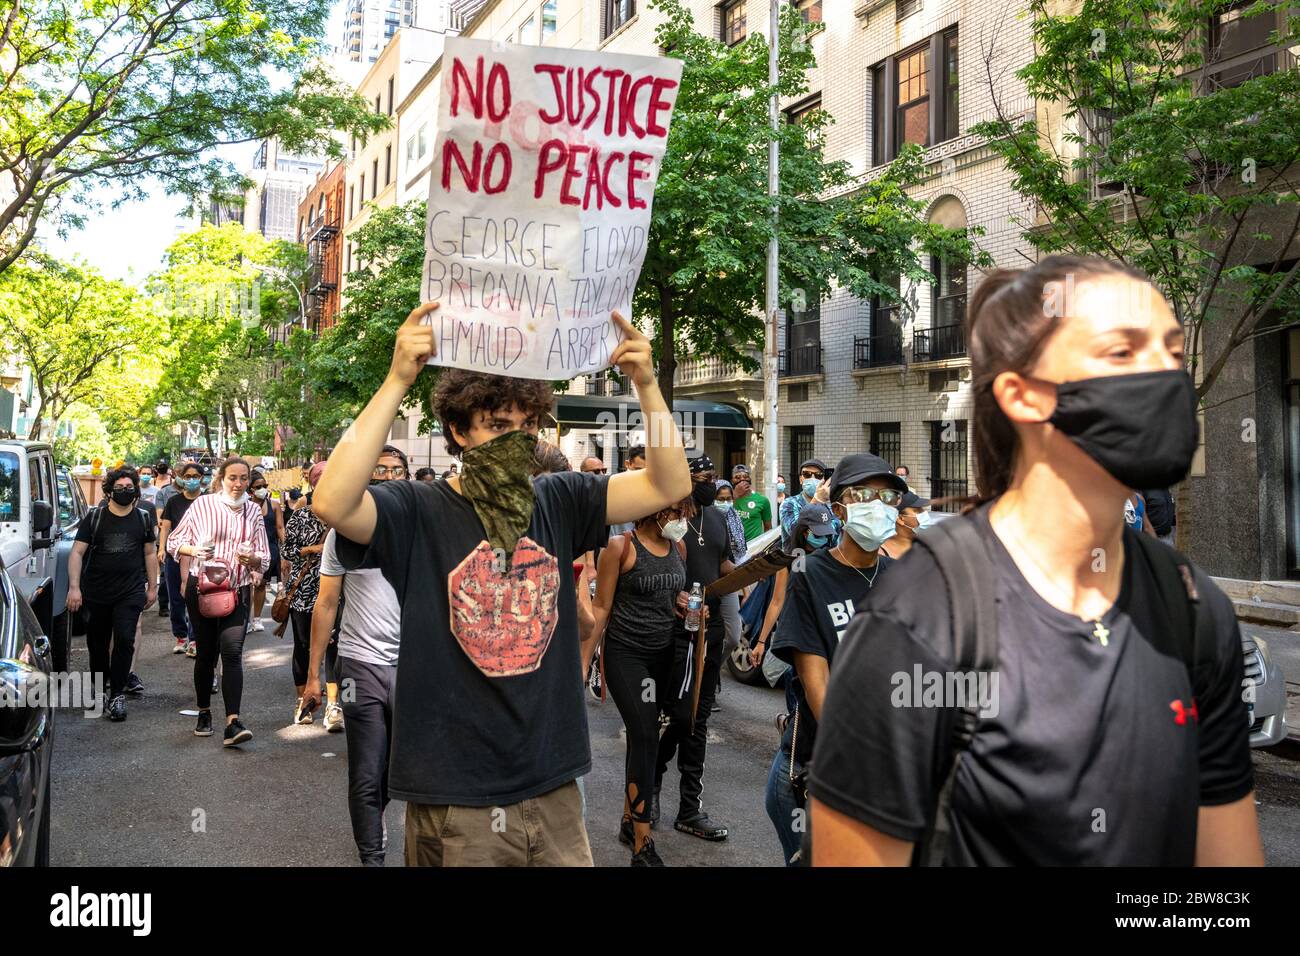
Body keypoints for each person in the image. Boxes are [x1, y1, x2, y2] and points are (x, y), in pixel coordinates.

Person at [811, 255, 1263, 866]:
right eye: (1122, 353)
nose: (1162, 376)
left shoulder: (1195, 608)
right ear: (1023, 397)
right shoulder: (920, 620)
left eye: (1174, 353)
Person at [311, 303, 691, 867]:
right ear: (459, 432)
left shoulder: (560, 499)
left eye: (527, 426)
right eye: (497, 425)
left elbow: (669, 482)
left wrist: (648, 384)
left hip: (556, 783)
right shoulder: (416, 511)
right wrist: (397, 379)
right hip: (457, 797)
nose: (517, 440)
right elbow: (333, 501)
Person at [764, 453, 904, 864]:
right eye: (864, 494)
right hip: (818, 775)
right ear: (840, 507)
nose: (877, 505)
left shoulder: (903, 579)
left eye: (887, 496)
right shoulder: (811, 575)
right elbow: (817, 687)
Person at [305, 445, 407, 865]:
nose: (386, 475)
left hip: (415, 668)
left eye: (395, 469)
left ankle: (377, 817)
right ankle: (372, 855)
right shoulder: (342, 534)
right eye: (378, 468)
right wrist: (314, 674)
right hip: (358, 665)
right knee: (366, 768)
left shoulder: (428, 530)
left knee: (396, 768)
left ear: (407, 475)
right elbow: (326, 604)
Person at [586, 495, 691, 866]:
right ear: (655, 510)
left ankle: (630, 818)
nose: (682, 519)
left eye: (684, 512)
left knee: (663, 730)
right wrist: (585, 662)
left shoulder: (678, 545)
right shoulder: (620, 547)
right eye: (677, 512)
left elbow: (673, 591)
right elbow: (602, 607)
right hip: (627, 655)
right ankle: (642, 842)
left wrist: (683, 602)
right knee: (645, 735)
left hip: (665, 653)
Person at [654, 455, 735, 842]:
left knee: (699, 719)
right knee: (674, 715)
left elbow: (721, 564)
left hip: (711, 628)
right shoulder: (669, 518)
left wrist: (754, 572)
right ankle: (648, 790)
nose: (708, 484)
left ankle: (689, 808)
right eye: (701, 478)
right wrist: (675, 597)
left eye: (712, 477)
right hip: (676, 630)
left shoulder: (717, 518)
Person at [167, 456, 270, 746]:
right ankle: (203, 711)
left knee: (233, 652)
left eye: (243, 478)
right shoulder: (202, 505)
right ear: (221, 479)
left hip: (238, 589)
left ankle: (233, 722)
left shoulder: (253, 511)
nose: (238, 484)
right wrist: (195, 549)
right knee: (207, 654)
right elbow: (174, 543)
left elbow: (264, 557)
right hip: (203, 589)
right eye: (232, 478)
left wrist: (252, 559)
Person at [66, 466, 159, 721]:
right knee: (97, 646)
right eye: (119, 488)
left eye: (129, 488)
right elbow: (76, 553)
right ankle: (99, 690)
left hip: (130, 592)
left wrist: (153, 586)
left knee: (125, 640)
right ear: (109, 491)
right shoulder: (95, 518)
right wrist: (74, 587)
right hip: (96, 593)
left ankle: (117, 694)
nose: (125, 492)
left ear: (136, 490)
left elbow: (150, 554)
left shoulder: (142, 518)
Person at [283, 460, 332, 728]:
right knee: (303, 646)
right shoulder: (301, 516)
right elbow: (286, 551)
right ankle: (303, 703)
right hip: (304, 590)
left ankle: (337, 704)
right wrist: (311, 550)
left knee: (340, 650)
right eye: (319, 476)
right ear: (312, 482)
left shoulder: (348, 513)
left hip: (341, 592)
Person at [159, 462, 204, 656]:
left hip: (198, 557)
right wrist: (161, 548)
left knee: (196, 597)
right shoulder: (174, 502)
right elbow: (165, 527)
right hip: (174, 555)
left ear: (202, 478)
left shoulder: (207, 501)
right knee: (176, 598)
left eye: (195, 476)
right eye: (188, 476)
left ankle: (195, 639)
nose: (192, 479)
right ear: (182, 478)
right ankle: (181, 636)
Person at [713, 479, 748, 657]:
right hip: (708, 582)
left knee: (734, 636)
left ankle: (713, 668)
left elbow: (740, 558)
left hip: (729, 582)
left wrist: (746, 589)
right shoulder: (708, 521)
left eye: (728, 499)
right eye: (721, 498)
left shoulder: (735, 519)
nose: (725, 503)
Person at [247, 470, 284, 632]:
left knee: (261, 584)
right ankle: (245, 620)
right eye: (258, 486)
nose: (262, 488)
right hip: (248, 550)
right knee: (246, 586)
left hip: (269, 550)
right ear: (251, 490)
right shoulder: (245, 505)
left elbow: (280, 527)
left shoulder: (274, 505)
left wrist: (286, 552)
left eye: (265, 486)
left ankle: (256, 618)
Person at [779, 458, 828, 541]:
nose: (812, 478)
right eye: (807, 474)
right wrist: (816, 500)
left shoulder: (830, 506)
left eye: (818, 475)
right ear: (801, 479)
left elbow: (833, 535)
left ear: (824, 480)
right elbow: (795, 532)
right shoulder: (789, 504)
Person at [880, 491, 933, 560]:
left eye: (923, 510)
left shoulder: (929, 547)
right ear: (900, 519)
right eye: (917, 511)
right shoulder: (880, 554)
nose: (925, 514)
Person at [732, 471, 772, 542]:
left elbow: (768, 527)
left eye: (745, 477)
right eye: (737, 477)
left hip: (753, 546)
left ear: (750, 480)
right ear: (732, 480)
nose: (742, 479)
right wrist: (735, 495)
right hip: (732, 546)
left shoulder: (762, 500)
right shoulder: (726, 498)